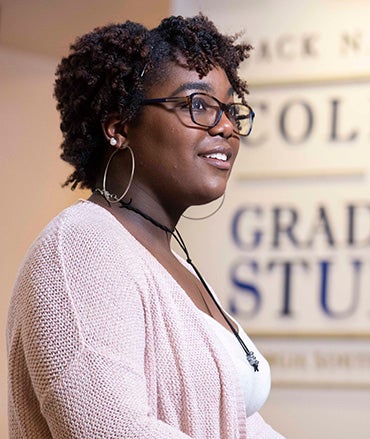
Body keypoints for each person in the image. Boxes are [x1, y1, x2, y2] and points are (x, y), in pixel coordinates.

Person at [6, 14, 284, 438]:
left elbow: (241, 424)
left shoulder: (173, 264)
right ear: (119, 127)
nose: (226, 126)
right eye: (199, 104)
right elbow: (113, 427)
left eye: (229, 109)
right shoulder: (82, 248)